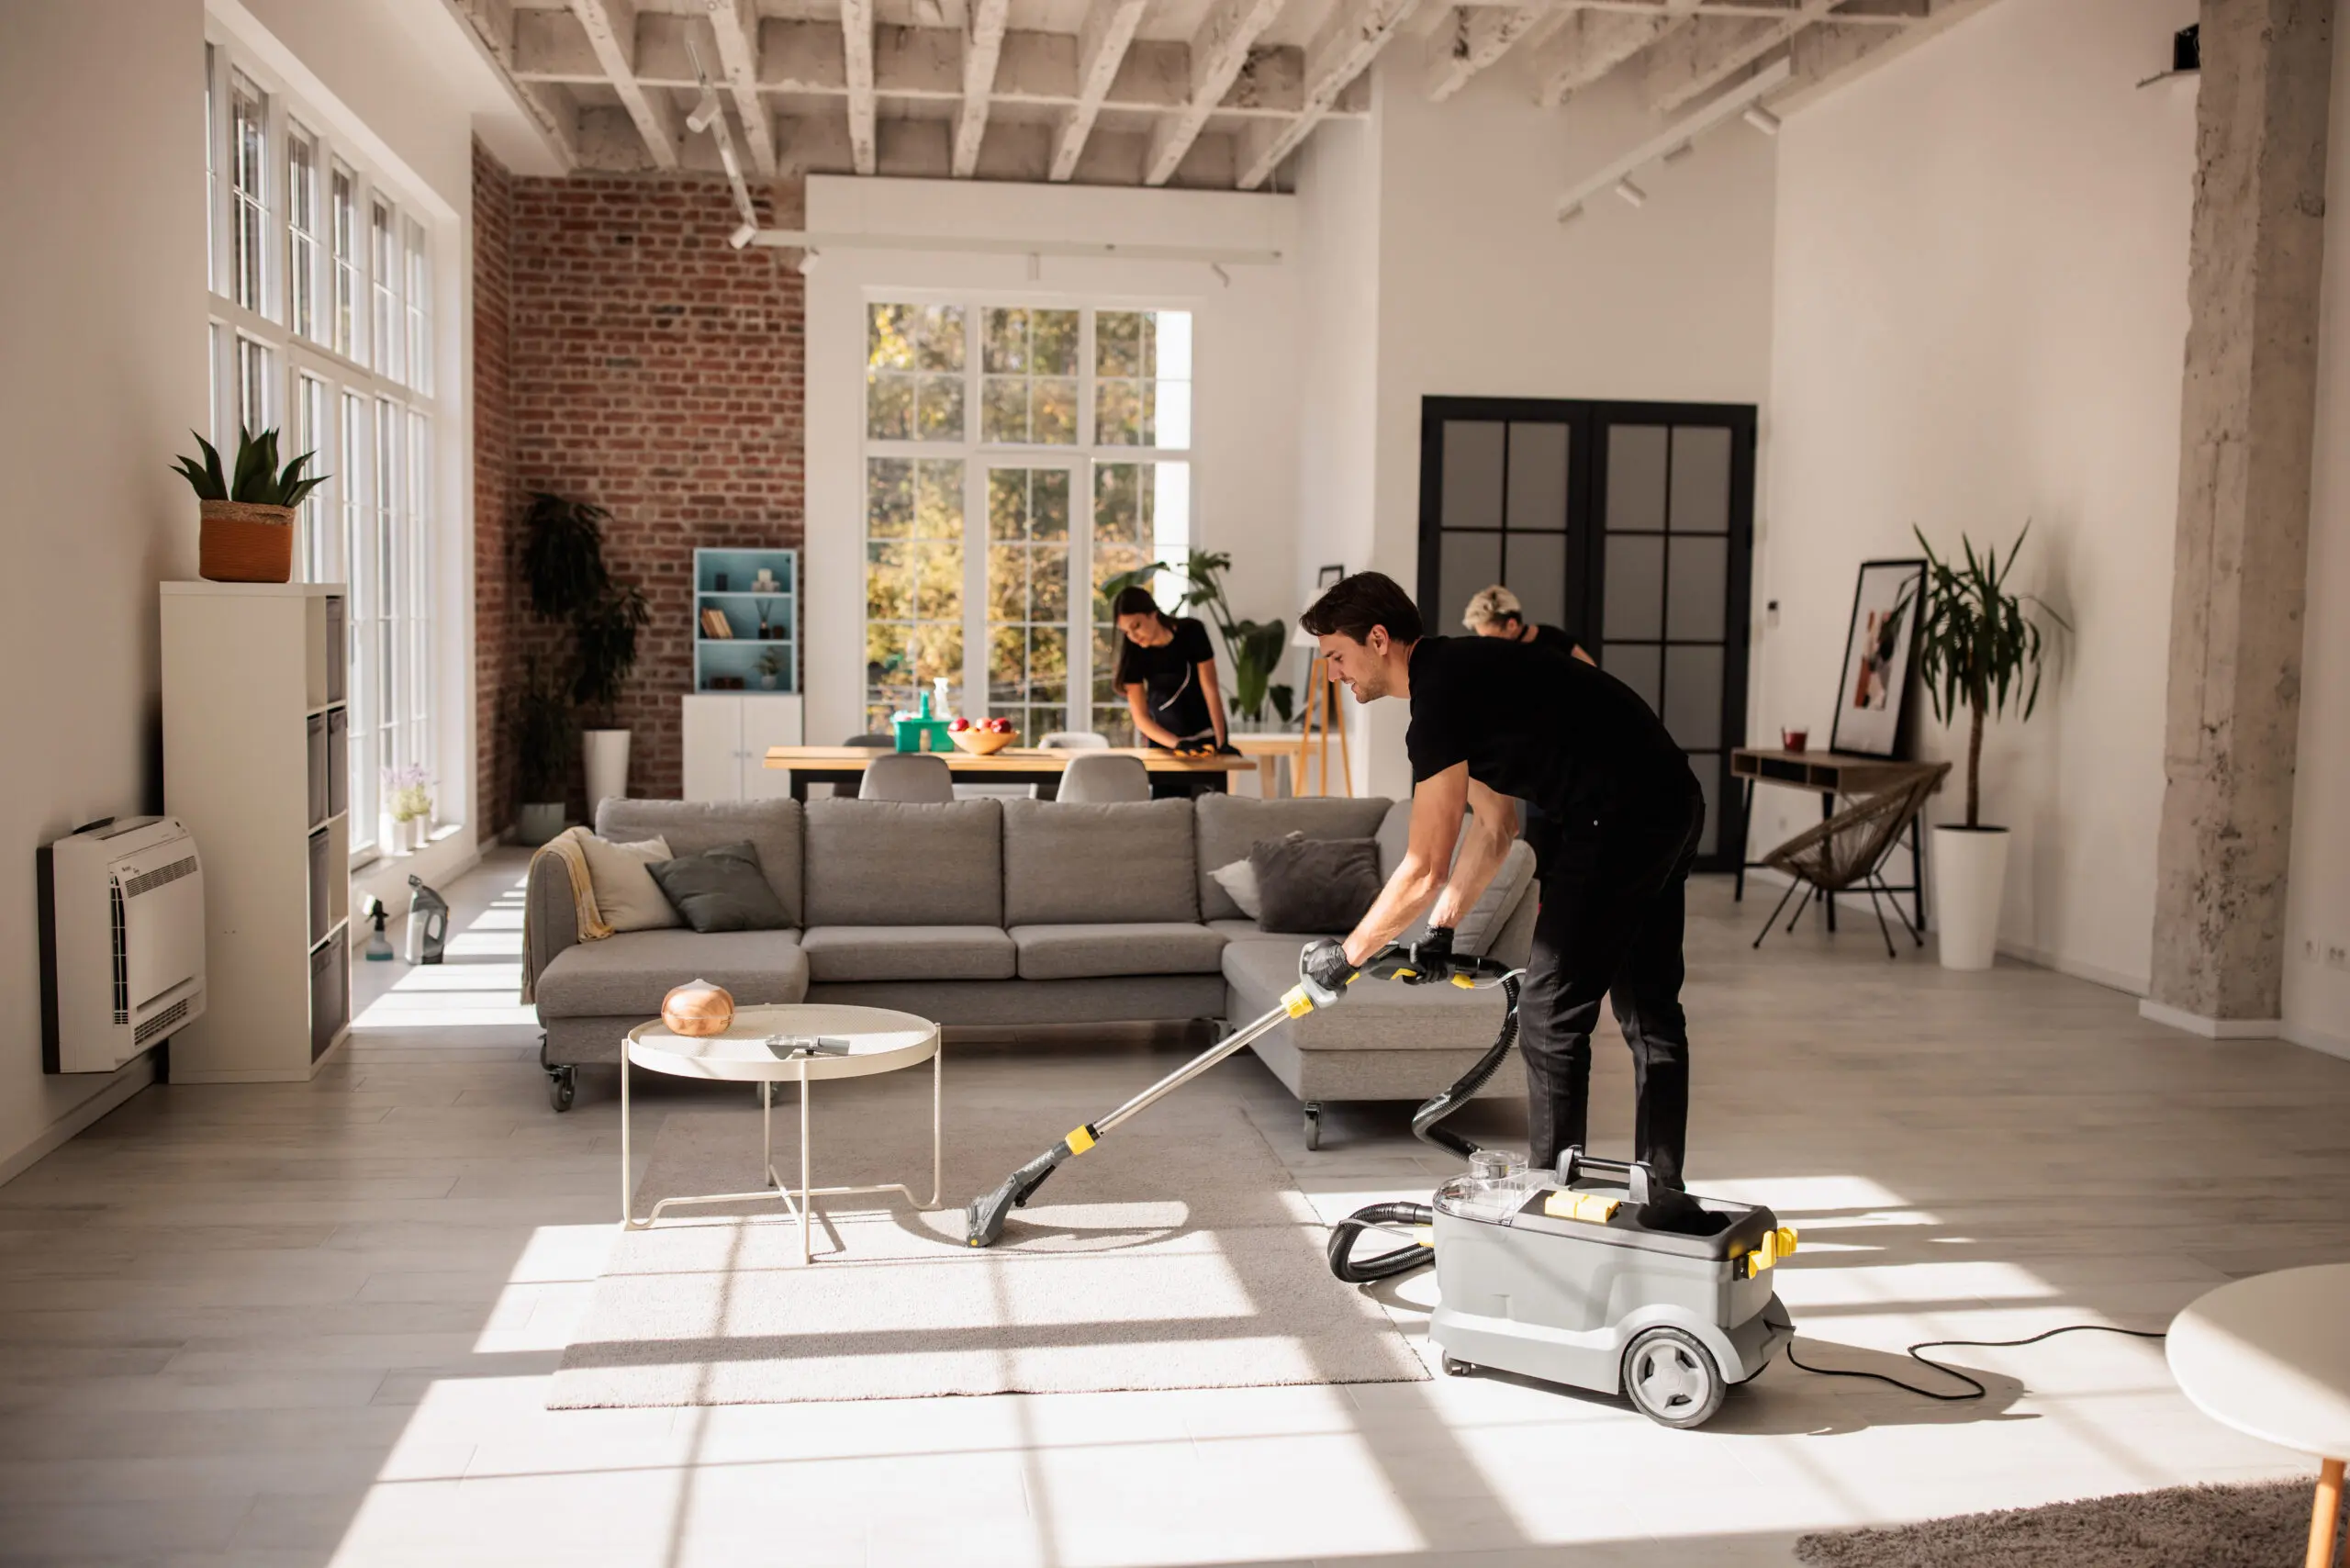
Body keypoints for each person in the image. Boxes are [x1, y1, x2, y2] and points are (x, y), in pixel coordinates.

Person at [1298, 571, 1704, 1187]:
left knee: (1549, 1012)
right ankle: (1662, 1190)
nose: (1335, 673)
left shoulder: (1439, 698)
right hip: (1670, 797)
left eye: (1337, 656)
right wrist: (1442, 929)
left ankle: (1554, 1196)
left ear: (1378, 639)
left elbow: (1424, 865)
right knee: (1648, 1011)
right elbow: (1495, 827)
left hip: (1618, 816)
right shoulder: (1460, 678)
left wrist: (1345, 958)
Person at [1110, 586, 1229, 753]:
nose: (1133, 637)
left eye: (1136, 626)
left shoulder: (1192, 631)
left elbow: (1210, 688)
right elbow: (1141, 718)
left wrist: (1223, 742)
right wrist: (1178, 744)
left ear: (1152, 613)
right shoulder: (1133, 654)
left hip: (1206, 737)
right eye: (1126, 632)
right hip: (1164, 744)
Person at [1460, 583, 1595, 666]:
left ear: (1511, 625)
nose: (1486, 643)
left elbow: (1592, 671)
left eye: (1489, 637)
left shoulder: (1553, 639)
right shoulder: (1495, 652)